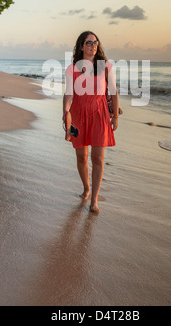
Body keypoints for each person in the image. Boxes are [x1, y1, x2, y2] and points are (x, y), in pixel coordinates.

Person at [63, 31, 119, 213]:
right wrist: (66, 112)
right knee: (81, 157)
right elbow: (69, 93)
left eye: (95, 42)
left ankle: (94, 200)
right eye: (89, 43)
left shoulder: (105, 66)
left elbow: (113, 92)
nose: (93, 45)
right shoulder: (72, 68)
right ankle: (86, 188)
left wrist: (115, 116)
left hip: (99, 114)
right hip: (78, 115)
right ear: (81, 46)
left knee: (98, 158)